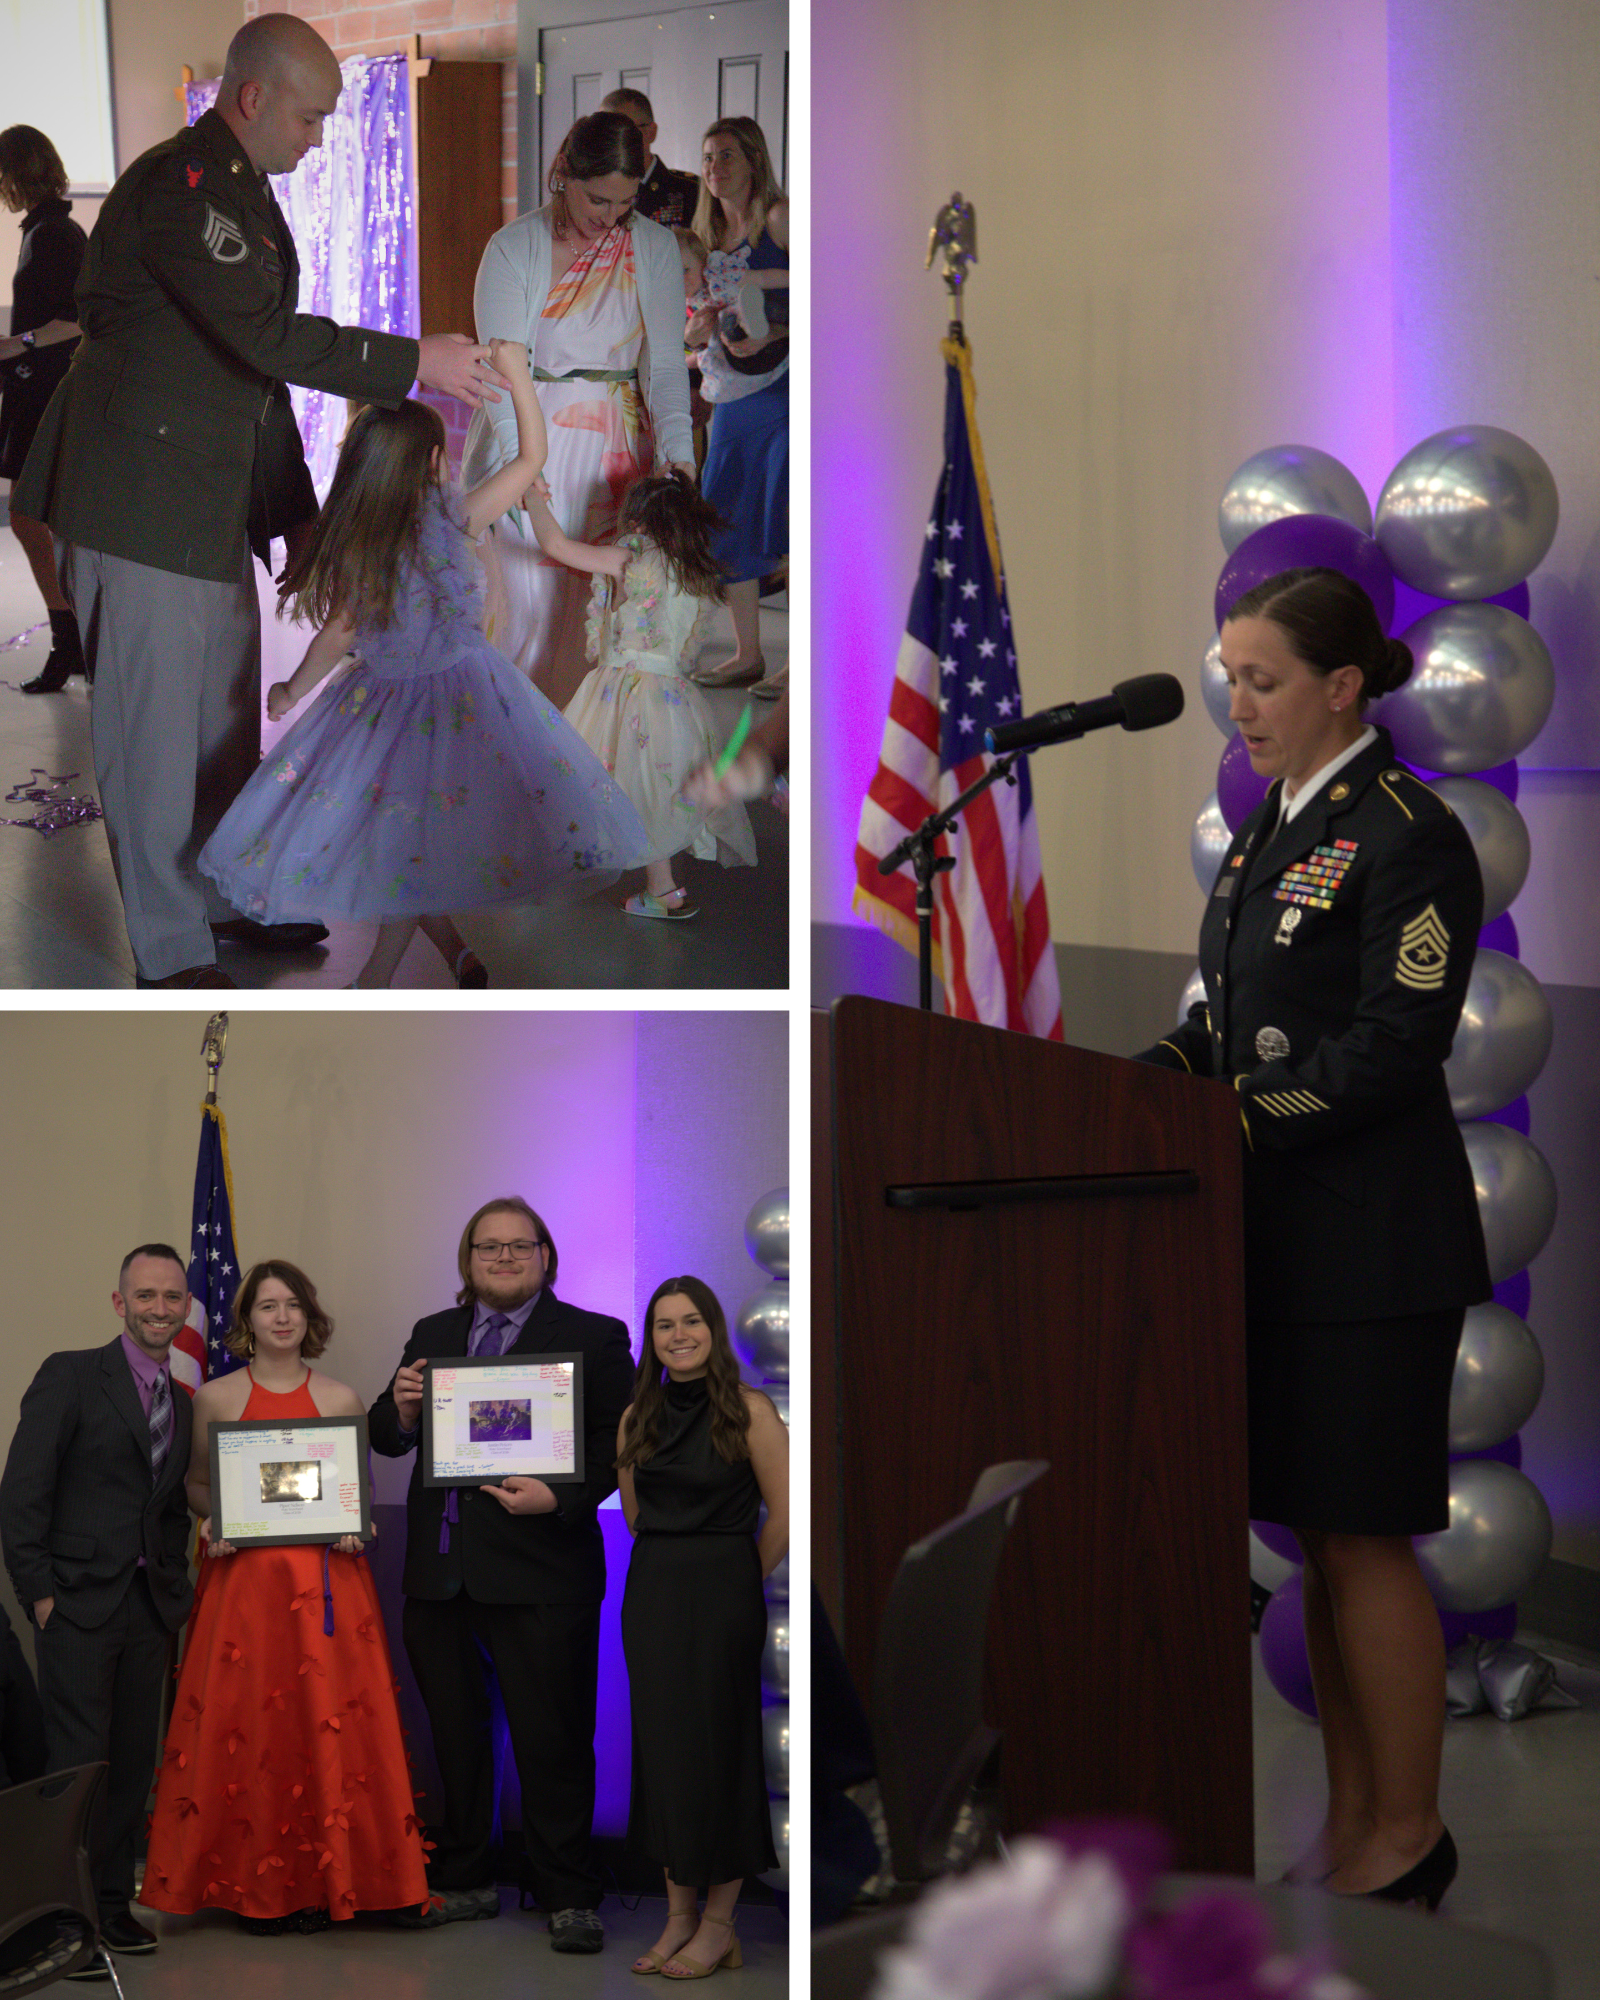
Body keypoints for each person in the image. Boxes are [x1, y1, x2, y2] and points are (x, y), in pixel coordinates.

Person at [10, 13, 501, 991]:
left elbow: (250, 381)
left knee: (222, 723)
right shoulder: (183, 186)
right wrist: (412, 361)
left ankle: (225, 894)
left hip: (200, 501)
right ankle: (171, 942)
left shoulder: (236, 187)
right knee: (151, 738)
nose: (317, 138)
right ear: (252, 98)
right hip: (140, 500)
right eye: (310, 118)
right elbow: (269, 339)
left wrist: (296, 513)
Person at [1140, 566, 1491, 1911]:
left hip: (1373, 1251)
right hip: (1280, 1245)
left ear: (1343, 687)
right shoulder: (1270, 823)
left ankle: (1410, 1834)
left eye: (1266, 678)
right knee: (1319, 1544)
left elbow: (1393, 1050)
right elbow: (1224, 1019)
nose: (1240, 701)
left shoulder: (1408, 831)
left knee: (1364, 1541)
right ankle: (1354, 1823)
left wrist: (1227, 1112)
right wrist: (1146, 1078)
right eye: (1231, 675)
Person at [196, 341, 646, 988]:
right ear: (435, 463)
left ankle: (373, 982)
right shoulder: (460, 517)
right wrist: (519, 378)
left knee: (404, 854)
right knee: (410, 855)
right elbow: (532, 459)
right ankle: (452, 958)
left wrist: (294, 691)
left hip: (384, 713)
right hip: (464, 704)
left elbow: (336, 633)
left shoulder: (365, 542)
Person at [368, 1199, 636, 1950]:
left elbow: (627, 1441)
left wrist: (566, 1495)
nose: (506, 1259)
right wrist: (404, 1411)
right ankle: (466, 1879)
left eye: (521, 1247)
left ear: (546, 1257)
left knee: (553, 1741)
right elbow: (386, 1439)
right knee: (455, 1739)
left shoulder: (594, 1335)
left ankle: (568, 1893)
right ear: (469, 1261)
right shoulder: (434, 1334)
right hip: (441, 1576)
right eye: (490, 1248)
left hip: (545, 1571)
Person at [139, 1261, 429, 1932]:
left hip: (327, 1585)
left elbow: (350, 1495)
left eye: (293, 1304)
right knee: (252, 1729)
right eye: (267, 1305)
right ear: (247, 1320)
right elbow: (199, 1486)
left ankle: (342, 1881)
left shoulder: (341, 1398)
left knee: (325, 1723)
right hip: (246, 1586)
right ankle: (254, 1886)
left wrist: (359, 1529)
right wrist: (216, 1518)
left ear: (309, 1316)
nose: (281, 1316)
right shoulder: (212, 1397)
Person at [0, 1246, 197, 1977]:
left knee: (130, 1763)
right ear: (119, 1303)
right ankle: (65, 1920)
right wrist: (40, 1596)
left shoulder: (178, 1400)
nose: (159, 1308)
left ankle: (113, 1904)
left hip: (148, 1611)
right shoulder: (71, 1374)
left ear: (185, 1306)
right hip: (76, 1606)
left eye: (172, 1296)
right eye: (145, 1295)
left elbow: (169, 1508)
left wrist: (171, 1584)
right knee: (77, 1768)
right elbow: (21, 1493)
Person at [464, 110, 694, 710]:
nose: (610, 217)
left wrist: (679, 456)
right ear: (564, 172)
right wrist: (521, 465)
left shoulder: (654, 246)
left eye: (625, 202)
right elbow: (500, 365)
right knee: (523, 611)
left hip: (614, 454)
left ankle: (576, 765)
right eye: (598, 198)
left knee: (591, 620)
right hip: (528, 430)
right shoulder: (515, 248)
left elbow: (665, 365)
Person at [617, 1278, 787, 1977]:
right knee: (664, 1757)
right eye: (663, 1325)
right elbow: (634, 1515)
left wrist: (736, 1575)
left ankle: (720, 1925)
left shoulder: (748, 1410)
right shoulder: (637, 1418)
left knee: (721, 1752)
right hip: (654, 1592)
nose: (678, 1334)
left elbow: (782, 1513)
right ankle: (679, 1918)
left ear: (714, 1330)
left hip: (724, 1594)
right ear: (651, 1338)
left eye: (691, 1321)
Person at [525, 465, 756, 921]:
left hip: (620, 695)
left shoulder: (628, 559)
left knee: (576, 776)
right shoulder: (694, 572)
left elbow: (556, 546)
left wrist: (532, 497)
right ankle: (663, 891)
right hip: (674, 703)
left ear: (638, 523)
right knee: (655, 792)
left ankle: (547, 867)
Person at [686, 119, 787, 701]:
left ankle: (800, 661)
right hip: (731, 395)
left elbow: (831, 283)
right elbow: (699, 318)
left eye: (726, 155)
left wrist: (774, 332)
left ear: (752, 159)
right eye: (707, 157)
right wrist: (697, 332)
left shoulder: (778, 219)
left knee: (787, 517)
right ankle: (747, 653)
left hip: (782, 390)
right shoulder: (705, 231)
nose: (714, 167)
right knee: (727, 516)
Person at [0, 125, 86, 694]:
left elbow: (80, 319)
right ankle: (70, 643)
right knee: (36, 519)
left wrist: (18, 345)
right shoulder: (42, 230)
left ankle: (71, 644)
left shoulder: (58, 235)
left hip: (50, 393)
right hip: (34, 391)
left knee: (34, 518)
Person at [600, 89, 700, 228]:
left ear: (650, 132)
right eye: (605, 133)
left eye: (623, 131)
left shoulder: (690, 190)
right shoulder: (595, 191)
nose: (612, 140)